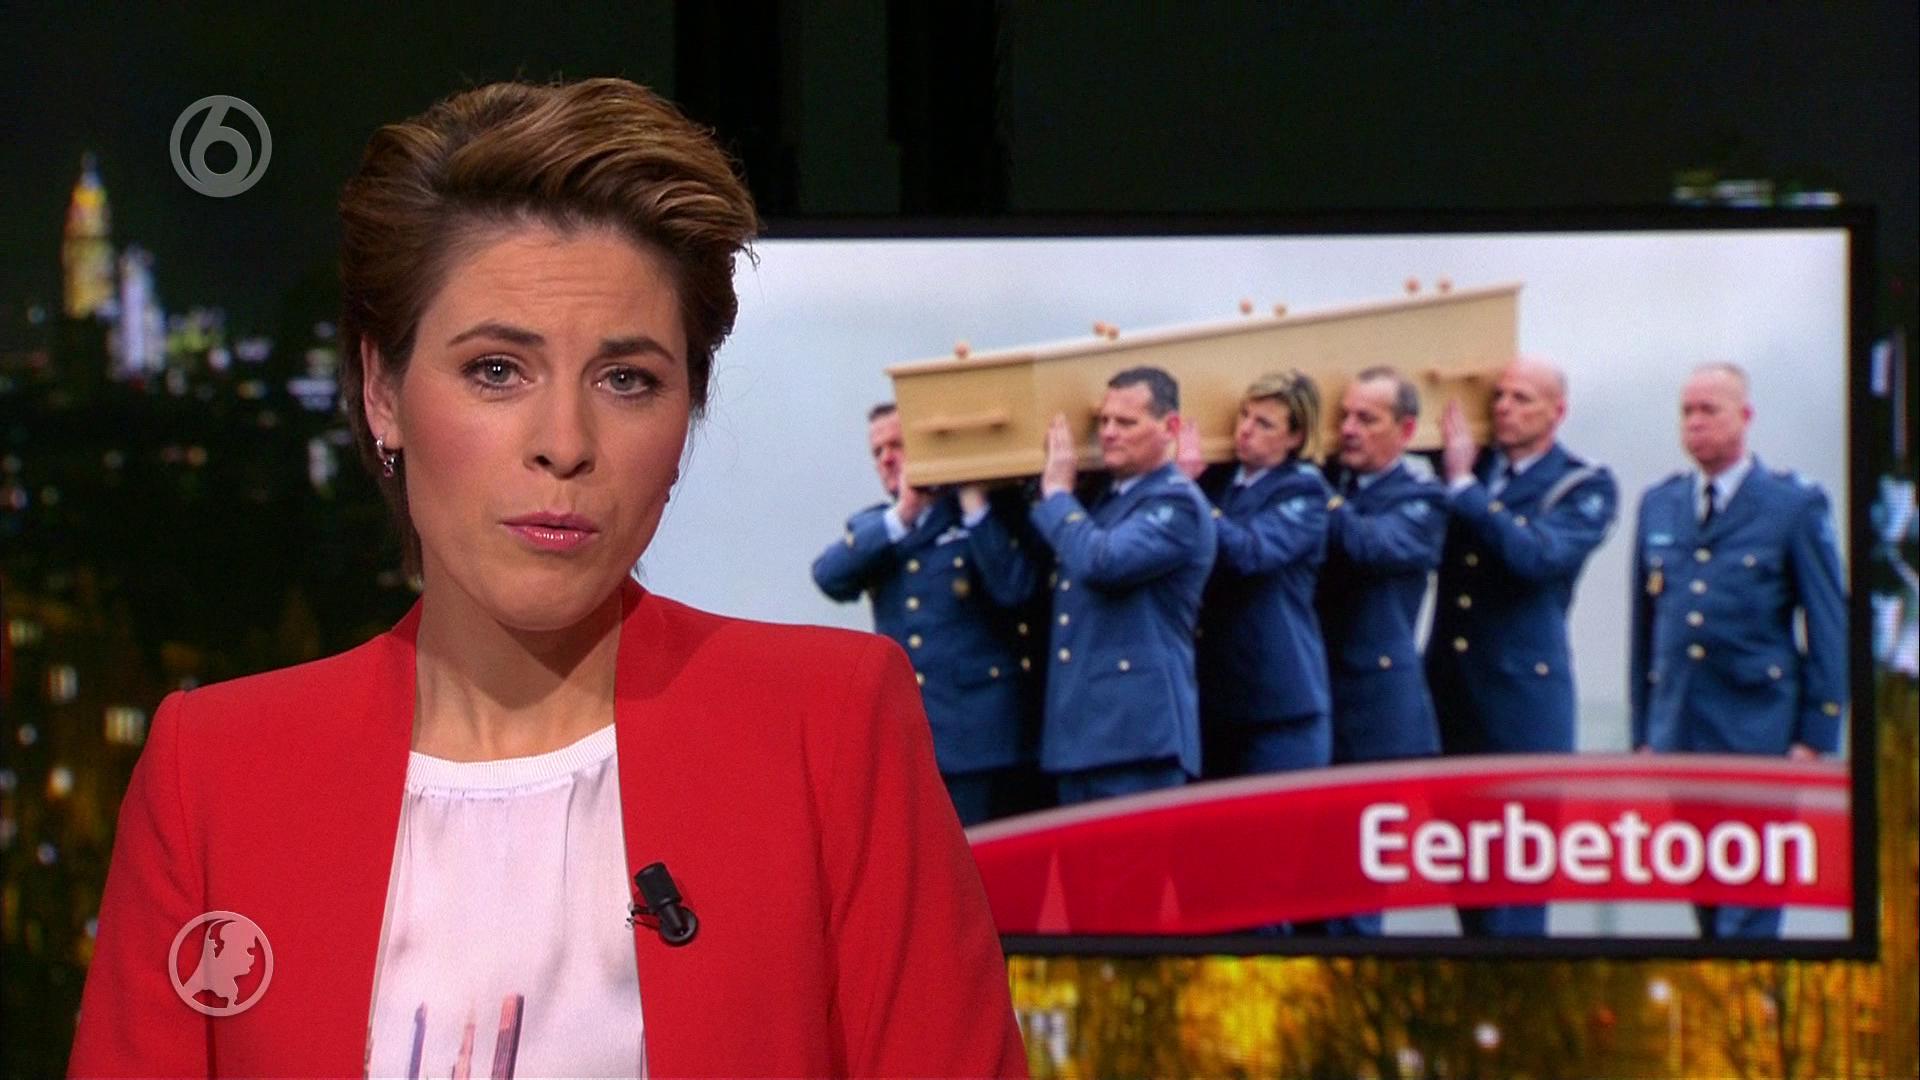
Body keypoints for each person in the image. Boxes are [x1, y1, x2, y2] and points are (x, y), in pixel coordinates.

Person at [70, 79, 1026, 1078]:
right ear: (383, 392)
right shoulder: (215, 774)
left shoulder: (828, 728)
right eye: (496, 370)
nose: (565, 443)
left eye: (628, 380)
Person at [1629, 362, 1847, 941]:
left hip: (1759, 735)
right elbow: (1646, 632)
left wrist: (1816, 734)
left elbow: (1828, 624)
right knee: (1704, 900)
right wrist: (1644, 732)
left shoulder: (1791, 505)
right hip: (1681, 736)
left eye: (1709, 410)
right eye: (1687, 411)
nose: (1695, 423)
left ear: (1744, 417)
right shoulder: (1660, 505)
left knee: (1749, 908)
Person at [1428, 357, 1618, 937]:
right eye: (1500, 397)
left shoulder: (1583, 485)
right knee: (1465, 874)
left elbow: (1535, 556)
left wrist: (1465, 489)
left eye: (1523, 399)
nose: (1505, 408)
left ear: (1557, 412)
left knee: (1515, 880)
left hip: (1521, 704)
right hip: (1454, 696)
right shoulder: (1472, 464)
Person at [812, 402, 1044, 826]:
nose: (887, 459)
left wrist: (974, 504)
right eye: (878, 451)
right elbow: (830, 577)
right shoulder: (880, 527)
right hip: (915, 739)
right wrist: (904, 514)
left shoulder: (981, 513)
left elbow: (1015, 589)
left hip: (985, 739)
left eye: (898, 445)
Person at [1029, 367, 1215, 805]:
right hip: (1080, 738)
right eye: (1104, 421)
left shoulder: (1176, 502)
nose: (1109, 433)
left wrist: (1057, 495)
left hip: (1139, 739)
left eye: (1126, 422)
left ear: (1170, 427)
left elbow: (1104, 562)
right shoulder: (1103, 500)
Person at [1313, 366, 1448, 935]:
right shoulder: (1330, 485)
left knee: (1357, 888)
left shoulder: (1422, 500)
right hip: (1317, 703)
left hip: (1377, 718)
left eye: (1367, 419)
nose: (1349, 429)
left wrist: (1315, 494)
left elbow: (1372, 546)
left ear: (1406, 429)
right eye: (1344, 416)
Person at [1190, 370, 1334, 777]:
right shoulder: (1218, 484)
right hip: (1220, 700)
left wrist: (1188, 493)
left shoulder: (1303, 491)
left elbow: (1250, 553)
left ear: (1295, 437)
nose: (1245, 430)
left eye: (1264, 424)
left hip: (1281, 706)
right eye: (1244, 415)